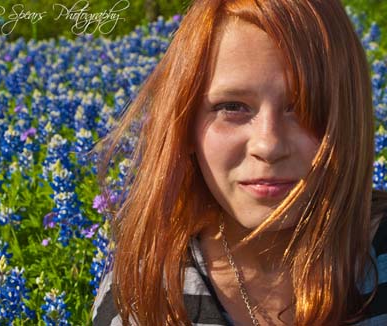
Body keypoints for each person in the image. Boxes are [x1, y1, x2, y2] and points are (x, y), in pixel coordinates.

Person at [92, 0, 387, 325]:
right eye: (232, 106)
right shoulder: (141, 294)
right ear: (185, 125)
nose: (269, 145)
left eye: (304, 107)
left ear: (348, 119)